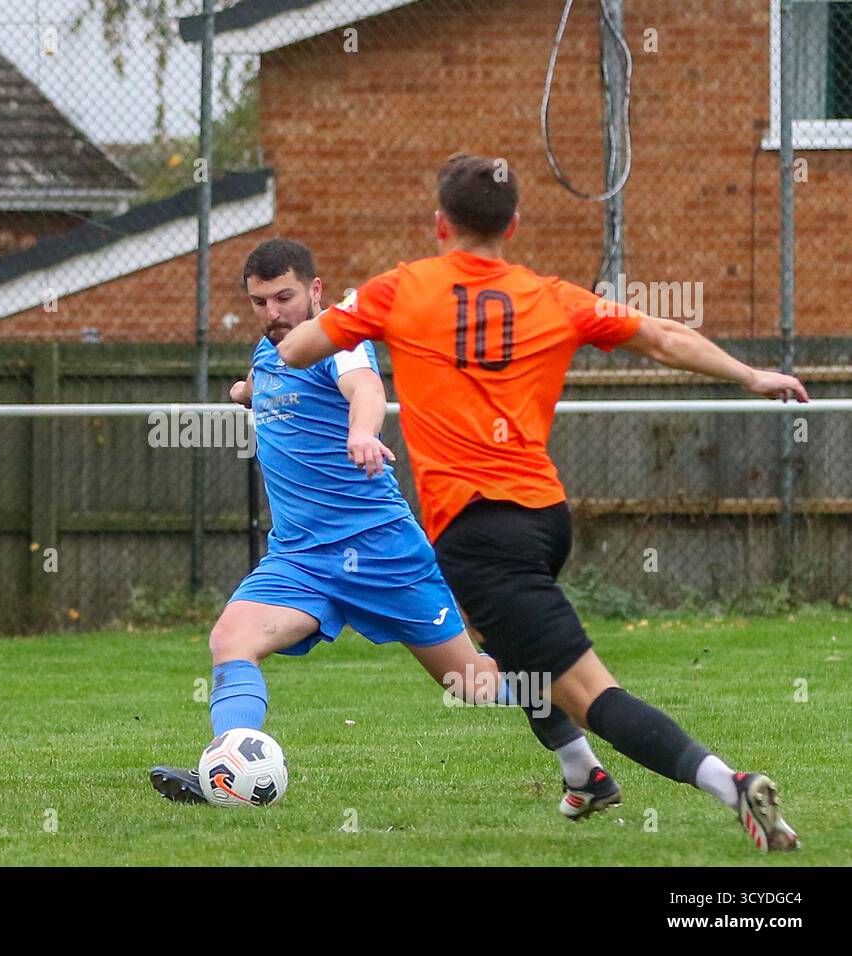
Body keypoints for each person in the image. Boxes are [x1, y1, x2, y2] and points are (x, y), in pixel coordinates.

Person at [278, 153, 804, 851]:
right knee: (512, 653)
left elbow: (296, 350)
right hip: (543, 516)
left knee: (590, 693)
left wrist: (351, 311)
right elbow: (661, 335)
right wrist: (749, 373)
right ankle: (582, 775)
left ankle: (728, 785)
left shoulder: (400, 288)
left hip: (480, 528)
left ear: (441, 224)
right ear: (514, 224)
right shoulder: (552, 296)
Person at [151, 238, 617, 814]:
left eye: (285, 297)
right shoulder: (267, 356)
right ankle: (224, 769)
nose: (273, 313)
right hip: (299, 559)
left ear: (315, 290)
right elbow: (277, 392)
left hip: (380, 552)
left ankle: (576, 699)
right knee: (231, 640)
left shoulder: (340, 343)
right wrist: (248, 394)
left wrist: (362, 432)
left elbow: (364, 388)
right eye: (259, 302)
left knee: (471, 685)